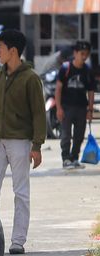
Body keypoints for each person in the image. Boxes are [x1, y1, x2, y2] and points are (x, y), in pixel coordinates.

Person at [0, 29, 46, 255]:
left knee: (21, 192)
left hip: (20, 142)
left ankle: (18, 241)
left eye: (1, 48)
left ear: (13, 51)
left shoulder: (31, 78)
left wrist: (37, 146)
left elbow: (39, 114)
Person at [56, 40, 94, 169]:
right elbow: (58, 89)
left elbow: (91, 91)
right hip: (66, 108)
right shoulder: (66, 68)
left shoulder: (87, 71)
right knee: (66, 135)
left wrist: (90, 109)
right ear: (75, 53)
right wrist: (59, 108)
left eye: (86, 54)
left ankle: (74, 158)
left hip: (81, 108)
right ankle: (66, 159)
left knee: (79, 135)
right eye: (82, 53)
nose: (84, 57)